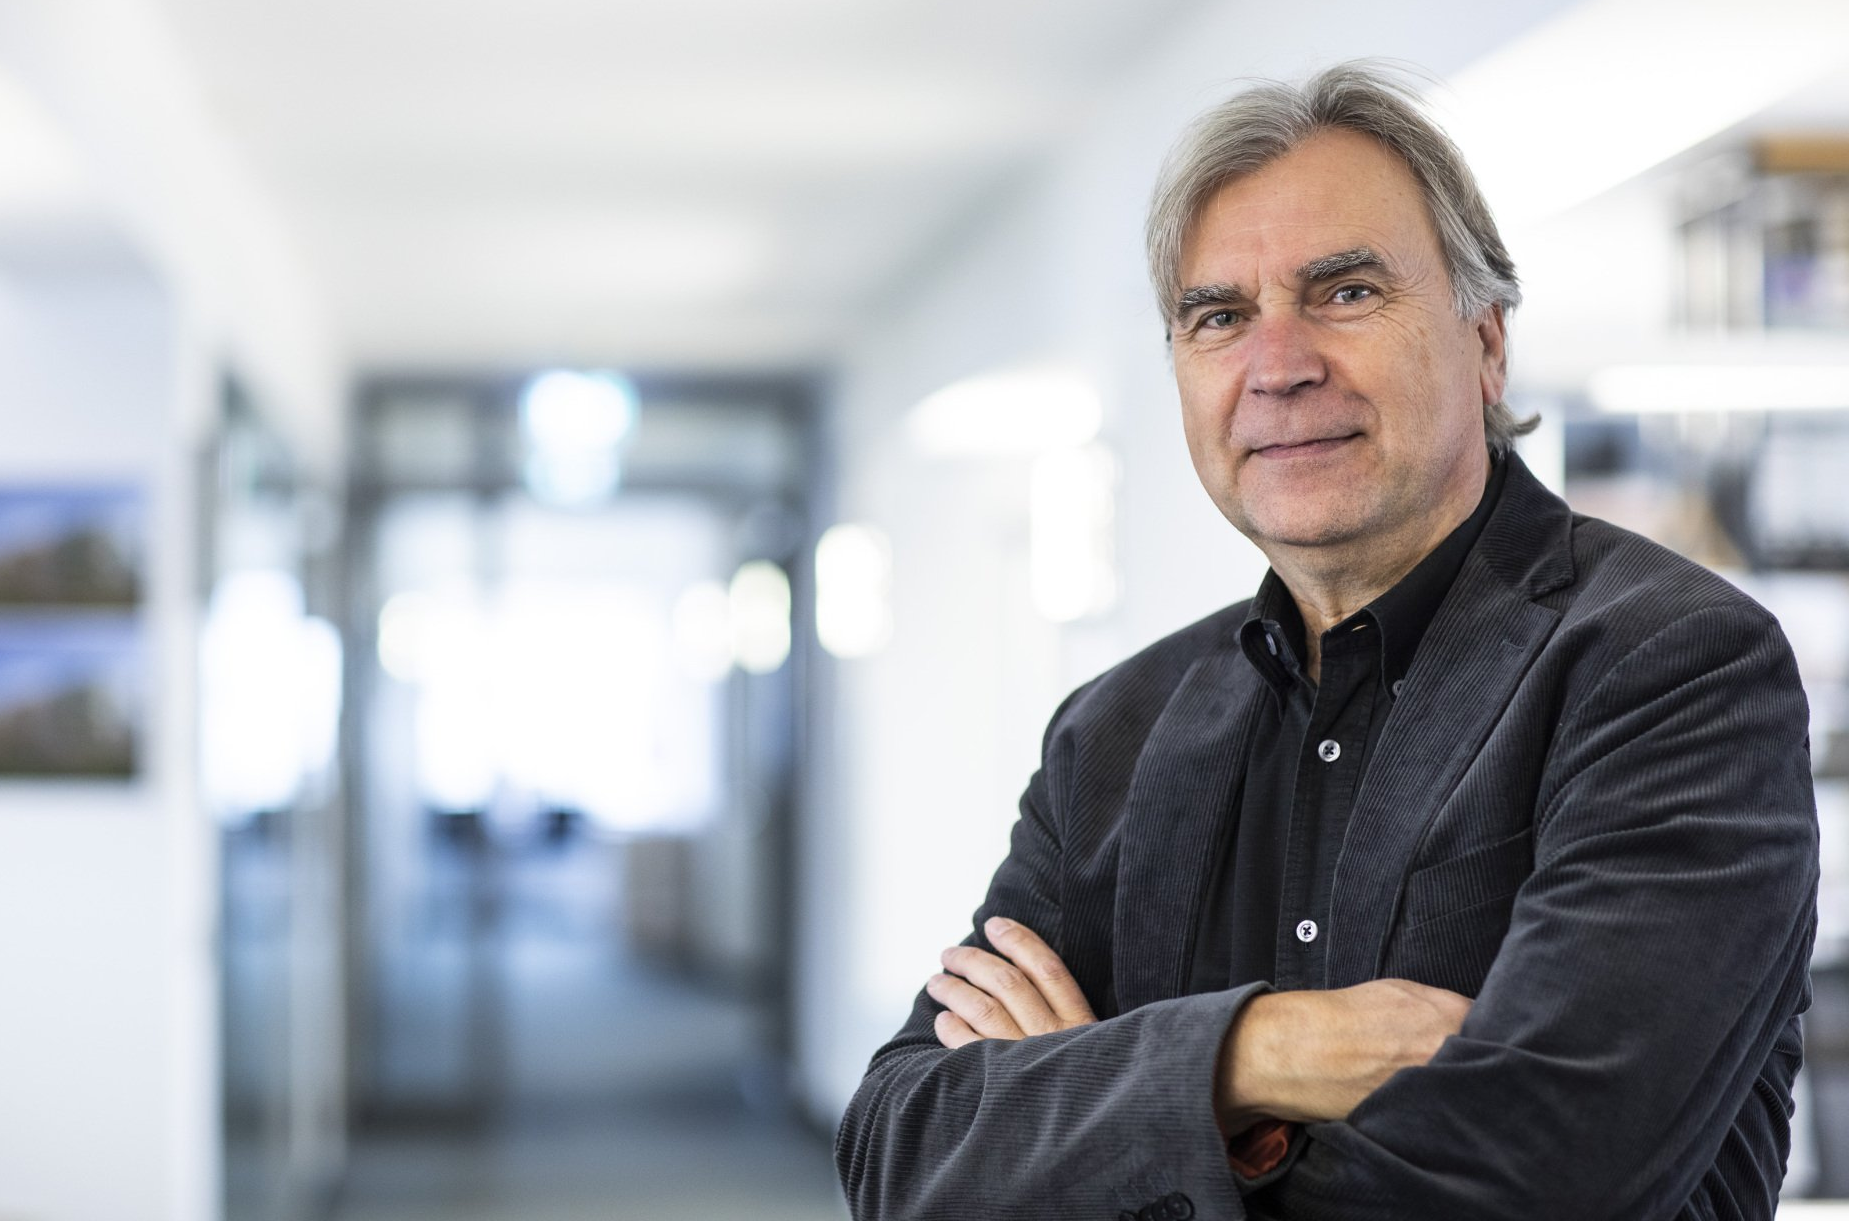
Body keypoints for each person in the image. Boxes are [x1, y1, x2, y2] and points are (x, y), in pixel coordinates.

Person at [833, 62, 1819, 1221]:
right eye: (1218, 317)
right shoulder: (1112, 734)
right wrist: (1261, 1051)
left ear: (1486, 343)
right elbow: (904, 1149)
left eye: (1345, 292)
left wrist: (1106, 1104)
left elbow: (1538, 1179)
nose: (1278, 366)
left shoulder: (1671, 667)